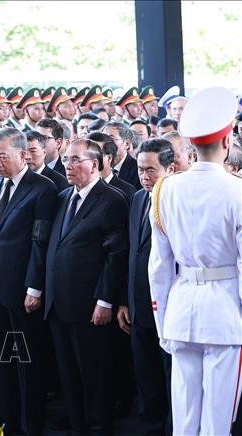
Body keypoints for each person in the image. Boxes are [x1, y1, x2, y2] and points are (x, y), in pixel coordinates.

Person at [148, 87, 241, 435]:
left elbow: (158, 266)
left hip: (181, 309)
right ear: (227, 140)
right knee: (218, 419)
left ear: (191, 148)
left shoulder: (165, 189)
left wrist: (163, 321)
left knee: (184, 416)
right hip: (226, 313)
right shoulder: (238, 191)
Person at [45, 138, 128, 434]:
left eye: (75, 160)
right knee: (69, 377)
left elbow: (115, 256)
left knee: (95, 377)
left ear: (94, 163)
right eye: (66, 159)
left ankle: (98, 429)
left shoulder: (112, 199)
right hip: (59, 303)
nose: (68, 165)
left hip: (90, 305)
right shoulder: (64, 196)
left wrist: (105, 300)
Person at [0, 128, 58, 435]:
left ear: (23, 155)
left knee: (28, 363)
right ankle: (7, 424)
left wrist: (34, 287)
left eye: (3, 155)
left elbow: (40, 243)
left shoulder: (42, 188)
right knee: (1, 362)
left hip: (24, 290)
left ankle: (31, 425)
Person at [117, 138, 174, 435]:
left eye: (151, 170)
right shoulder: (138, 198)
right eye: (140, 170)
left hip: (170, 305)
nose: (145, 177)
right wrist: (125, 301)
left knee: (171, 376)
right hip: (139, 305)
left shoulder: (178, 201)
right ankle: (151, 426)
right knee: (146, 375)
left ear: (170, 168)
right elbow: (131, 252)